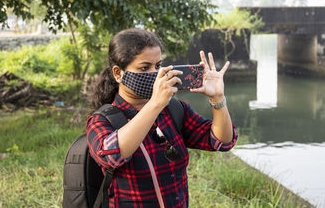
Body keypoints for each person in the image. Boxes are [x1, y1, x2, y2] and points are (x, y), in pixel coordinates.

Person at [87, 28, 237, 208]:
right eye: (144, 67)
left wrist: (218, 99)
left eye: (158, 66)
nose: (155, 74)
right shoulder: (102, 121)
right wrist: (155, 104)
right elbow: (111, 157)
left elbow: (222, 141)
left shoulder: (173, 109)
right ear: (118, 73)